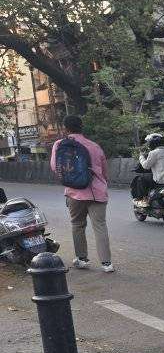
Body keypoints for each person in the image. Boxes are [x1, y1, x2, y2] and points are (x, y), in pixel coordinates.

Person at [49, 114, 114, 273]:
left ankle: (82, 259)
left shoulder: (59, 144)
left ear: (65, 128)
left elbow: (54, 167)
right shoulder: (94, 146)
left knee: (77, 225)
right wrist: (102, 183)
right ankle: (107, 264)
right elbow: (104, 172)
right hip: (96, 192)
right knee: (100, 226)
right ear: (82, 127)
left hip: (74, 192)